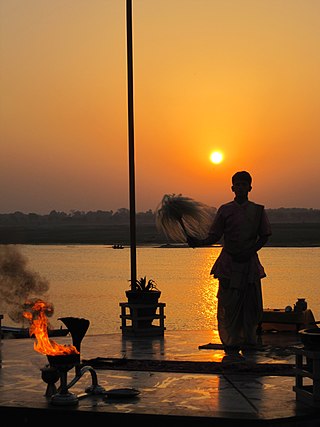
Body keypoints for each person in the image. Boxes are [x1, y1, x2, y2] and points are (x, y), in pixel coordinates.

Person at [187, 171, 272, 354]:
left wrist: (251, 250)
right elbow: (215, 235)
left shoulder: (258, 210)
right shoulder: (225, 210)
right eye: (237, 184)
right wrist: (199, 242)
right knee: (228, 303)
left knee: (250, 304)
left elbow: (264, 235)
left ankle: (249, 340)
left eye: (244, 184)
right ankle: (231, 341)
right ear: (232, 188)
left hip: (249, 263)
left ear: (250, 187)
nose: (240, 187)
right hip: (229, 263)